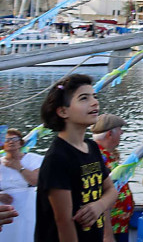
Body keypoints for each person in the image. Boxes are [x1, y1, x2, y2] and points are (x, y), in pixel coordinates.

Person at [36, 73, 119, 242]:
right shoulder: (57, 158)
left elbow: (111, 190)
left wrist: (99, 205)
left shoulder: (92, 147)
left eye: (94, 96)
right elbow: (64, 222)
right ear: (63, 111)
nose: (94, 102)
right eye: (84, 98)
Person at [92, 115, 135, 242]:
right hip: (108, 228)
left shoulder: (110, 155)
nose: (122, 132)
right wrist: (107, 235)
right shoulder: (96, 157)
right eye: (119, 129)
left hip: (120, 224)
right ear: (110, 134)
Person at [0, 128, 41, 241]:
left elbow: (37, 181)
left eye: (15, 139)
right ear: (3, 144)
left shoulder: (33, 159)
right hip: (5, 207)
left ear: (20, 142)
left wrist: (18, 167)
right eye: (7, 140)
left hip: (29, 205)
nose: (11, 142)